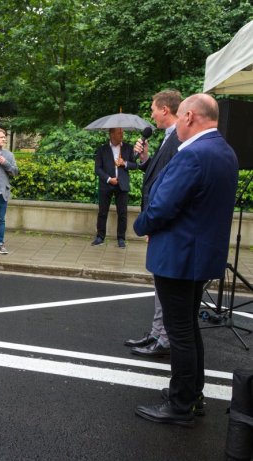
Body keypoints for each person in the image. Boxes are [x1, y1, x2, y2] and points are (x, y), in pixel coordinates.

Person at [133, 93, 239, 427]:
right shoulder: (225, 151)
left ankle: (181, 406)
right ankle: (192, 394)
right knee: (189, 328)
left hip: (178, 257)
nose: (177, 122)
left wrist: (141, 225)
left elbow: (163, 206)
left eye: (179, 117)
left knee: (180, 332)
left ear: (190, 116)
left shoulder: (193, 154)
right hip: (200, 256)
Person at [124, 90, 183, 358]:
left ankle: (164, 338)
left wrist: (152, 223)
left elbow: (169, 186)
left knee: (164, 284)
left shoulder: (179, 139)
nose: (150, 114)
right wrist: (146, 158)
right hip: (157, 222)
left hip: (162, 223)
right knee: (159, 282)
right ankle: (157, 332)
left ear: (165, 110)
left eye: (152, 109)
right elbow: (157, 174)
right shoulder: (166, 138)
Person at [92, 127, 137, 248]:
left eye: (122, 132)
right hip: (106, 185)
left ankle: (121, 238)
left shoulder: (128, 148)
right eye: (119, 133)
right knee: (102, 212)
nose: (122, 134)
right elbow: (97, 169)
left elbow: (135, 165)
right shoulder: (102, 149)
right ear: (111, 134)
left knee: (122, 213)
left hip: (122, 184)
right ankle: (100, 237)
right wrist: (108, 179)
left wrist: (124, 163)